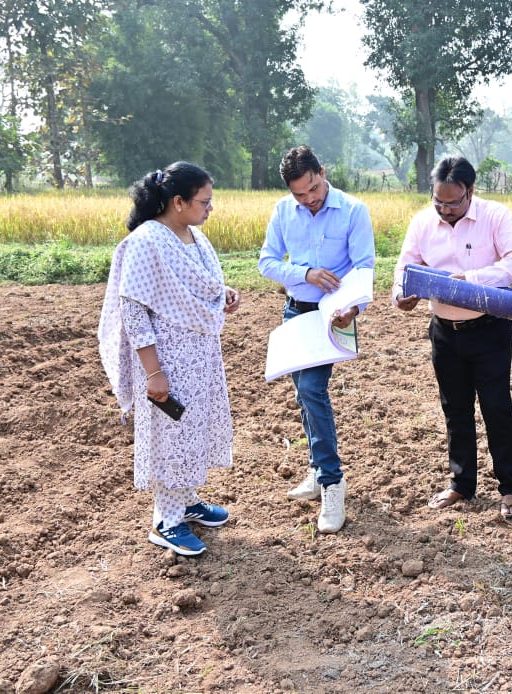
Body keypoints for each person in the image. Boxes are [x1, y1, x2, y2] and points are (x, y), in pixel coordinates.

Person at [98, 161, 241, 557]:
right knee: (169, 437)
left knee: (191, 431)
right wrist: (153, 372)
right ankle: (167, 521)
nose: (209, 209)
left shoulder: (194, 237)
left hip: (201, 356)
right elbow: (134, 309)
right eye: (204, 202)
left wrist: (223, 294)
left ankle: (187, 501)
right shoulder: (147, 241)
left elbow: (199, 287)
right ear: (178, 202)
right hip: (169, 361)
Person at [393, 156, 512, 520]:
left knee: (496, 407)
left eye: (452, 202)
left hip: (489, 328)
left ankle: (511, 488)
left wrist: (470, 280)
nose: (444, 209)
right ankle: (461, 483)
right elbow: (403, 269)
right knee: (455, 408)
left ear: (470, 191)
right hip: (444, 331)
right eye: (438, 201)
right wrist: (401, 295)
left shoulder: (495, 217)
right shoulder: (423, 222)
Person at [258, 145, 376, 534]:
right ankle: (316, 467)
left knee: (311, 390)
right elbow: (267, 262)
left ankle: (331, 481)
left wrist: (352, 309)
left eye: (313, 189)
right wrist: (305, 273)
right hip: (296, 312)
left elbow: (363, 268)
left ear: (322, 172)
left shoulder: (353, 210)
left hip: (334, 313)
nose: (309, 199)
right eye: (300, 194)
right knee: (301, 394)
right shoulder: (282, 211)